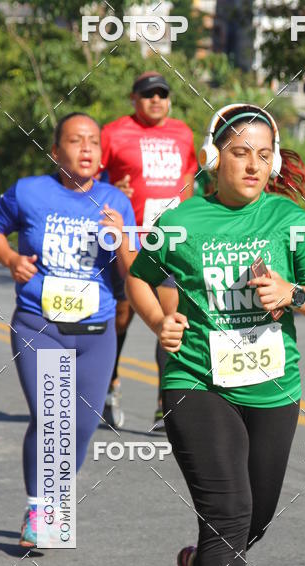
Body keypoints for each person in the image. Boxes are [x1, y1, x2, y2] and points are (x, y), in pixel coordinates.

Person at [125, 104, 305, 566]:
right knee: (227, 509)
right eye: (241, 152)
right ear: (216, 157)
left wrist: (292, 291)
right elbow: (141, 274)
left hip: (273, 384)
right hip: (196, 380)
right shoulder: (182, 222)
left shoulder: (289, 220)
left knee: (258, 512)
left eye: (264, 154)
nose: (253, 164)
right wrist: (157, 323)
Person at [0, 112, 136, 547]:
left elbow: (133, 273)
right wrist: (11, 259)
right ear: (56, 151)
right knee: (52, 420)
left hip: (96, 332)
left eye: (93, 142)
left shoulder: (115, 202)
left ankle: (55, 496)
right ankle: (40, 509)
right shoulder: (30, 192)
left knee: (82, 427)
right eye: (75, 140)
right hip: (39, 323)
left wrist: (121, 237)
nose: (86, 148)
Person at [100, 71, 198, 429]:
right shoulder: (113, 133)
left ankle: (164, 403)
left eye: (162, 93)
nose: (155, 100)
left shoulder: (184, 134)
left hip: (168, 242)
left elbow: (190, 180)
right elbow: (88, 180)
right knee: (122, 316)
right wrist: (113, 189)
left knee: (170, 319)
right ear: (133, 99)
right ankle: (110, 385)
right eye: (147, 94)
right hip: (127, 238)